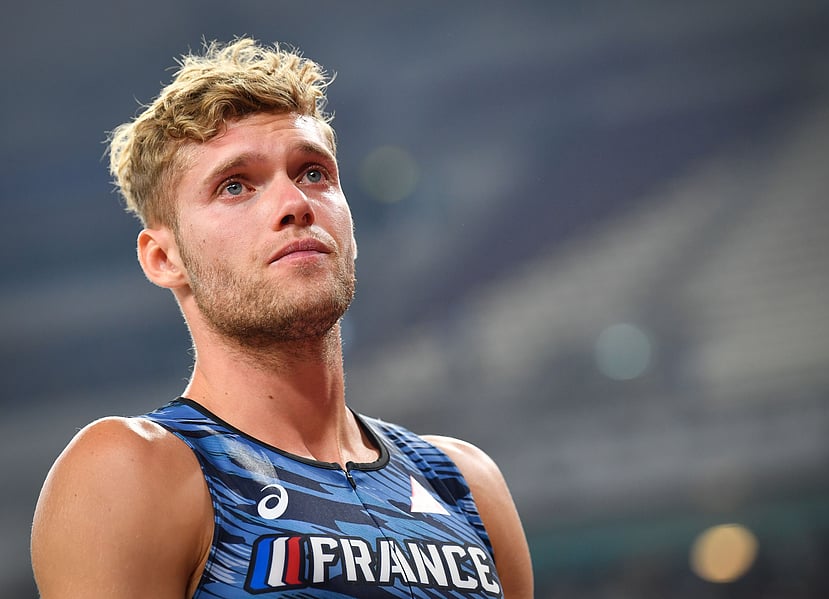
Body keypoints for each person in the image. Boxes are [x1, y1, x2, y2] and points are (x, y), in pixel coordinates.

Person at [31, 38, 533, 598]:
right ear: (164, 258)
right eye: (235, 186)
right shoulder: (134, 470)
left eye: (313, 173)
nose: (295, 204)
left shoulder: (465, 483)